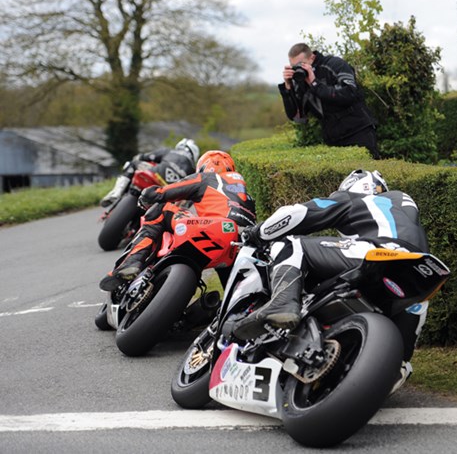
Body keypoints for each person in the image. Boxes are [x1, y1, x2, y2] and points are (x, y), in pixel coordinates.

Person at [230, 169, 429, 391]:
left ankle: (283, 302)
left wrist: (258, 233)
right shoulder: (405, 209)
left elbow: (299, 214)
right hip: (421, 271)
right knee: (414, 314)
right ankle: (395, 367)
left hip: (377, 254)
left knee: (291, 244)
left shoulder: (358, 199)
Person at [99, 150, 256, 291]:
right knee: (232, 290)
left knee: (162, 208)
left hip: (214, 229)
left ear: (204, 166)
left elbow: (163, 193)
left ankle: (132, 261)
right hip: (238, 245)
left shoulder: (206, 178)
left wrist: (147, 196)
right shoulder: (247, 195)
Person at [278, 43, 380, 159]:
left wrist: (314, 82)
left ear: (312, 57)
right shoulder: (299, 80)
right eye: (294, 66)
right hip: (332, 139)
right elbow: (297, 116)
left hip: (359, 131)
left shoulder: (335, 64)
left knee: (369, 173)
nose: (299, 69)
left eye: (302, 64)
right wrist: (287, 87)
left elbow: (350, 93)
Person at [100, 138, 200, 207]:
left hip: (154, 176)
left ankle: (117, 192)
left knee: (132, 164)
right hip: (168, 193)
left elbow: (143, 157)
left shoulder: (169, 151)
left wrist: (140, 158)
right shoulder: (194, 169)